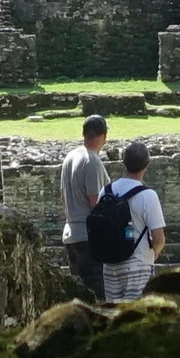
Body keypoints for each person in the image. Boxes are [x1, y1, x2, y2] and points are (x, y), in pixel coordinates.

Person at [98, 140, 166, 300]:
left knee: (113, 312)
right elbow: (159, 238)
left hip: (110, 264)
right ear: (147, 165)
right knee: (135, 313)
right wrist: (153, 254)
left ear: (124, 163)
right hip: (138, 262)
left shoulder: (106, 191)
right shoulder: (148, 196)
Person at [58, 115, 112, 295]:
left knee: (79, 294)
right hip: (89, 238)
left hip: (71, 234)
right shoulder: (92, 161)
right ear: (103, 136)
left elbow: (63, 198)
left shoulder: (70, 157)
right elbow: (95, 202)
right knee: (97, 294)